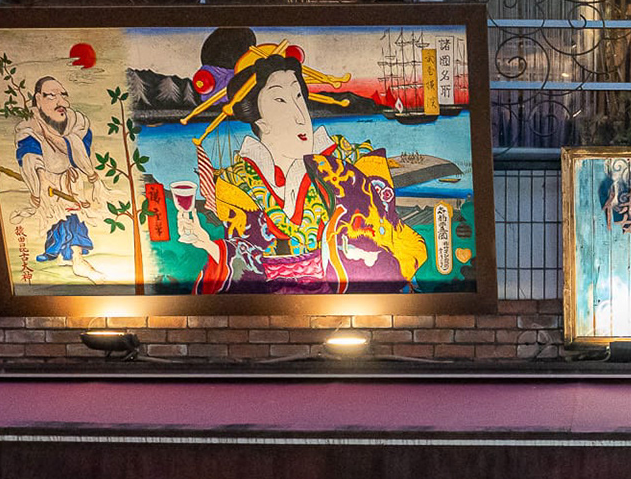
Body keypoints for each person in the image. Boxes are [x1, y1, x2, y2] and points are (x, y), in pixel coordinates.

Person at [175, 29, 436, 294]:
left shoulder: (349, 161)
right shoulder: (236, 183)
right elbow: (248, 259)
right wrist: (207, 243)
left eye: (298, 96)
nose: (299, 115)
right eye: (280, 99)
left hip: (345, 295)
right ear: (257, 117)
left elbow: (392, 234)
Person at [14, 76, 104, 274]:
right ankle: (55, 249)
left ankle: (76, 253)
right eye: (52, 96)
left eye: (63, 95)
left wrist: (55, 139)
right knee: (55, 218)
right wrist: (41, 180)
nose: (61, 102)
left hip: (71, 181)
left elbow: (82, 151)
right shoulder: (29, 128)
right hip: (47, 184)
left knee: (74, 216)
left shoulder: (78, 123)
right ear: (38, 99)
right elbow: (28, 154)